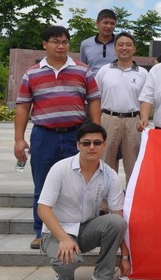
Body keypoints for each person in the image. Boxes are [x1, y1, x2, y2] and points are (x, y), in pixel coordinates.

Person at [14, 26, 101, 250]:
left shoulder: (83, 70)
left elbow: (94, 99)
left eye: (65, 42)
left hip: (75, 135)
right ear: (45, 44)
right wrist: (19, 139)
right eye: (55, 41)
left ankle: (79, 230)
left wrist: (95, 131)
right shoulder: (32, 73)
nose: (61, 46)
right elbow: (23, 106)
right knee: (42, 185)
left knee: (79, 184)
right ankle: (40, 232)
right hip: (44, 136)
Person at [37, 122, 129, 280]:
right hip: (57, 231)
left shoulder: (110, 175)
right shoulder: (60, 169)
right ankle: (64, 275)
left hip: (86, 229)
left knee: (116, 222)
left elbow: (118, 215)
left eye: (97, 143)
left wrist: (125, 256)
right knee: (66, 264)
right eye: (86, 143)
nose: (92, 147)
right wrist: (64, 238)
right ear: (78, 145)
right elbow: (43, 208)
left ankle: (102, 276)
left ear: (104, 145)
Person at [95, 32, 148, 184]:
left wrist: (143, 119)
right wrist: (97, 123)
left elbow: (147, 100)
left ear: (134, 49)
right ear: (115, 48)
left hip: (134, 122)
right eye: (120, 44)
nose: (124, 48)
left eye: (128, 45)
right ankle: (107, 197)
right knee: (105, 161)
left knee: (134, 162)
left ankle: (132, 196)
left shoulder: (143, 73)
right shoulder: (104, 71)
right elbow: (96, 98)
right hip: (108, 119)